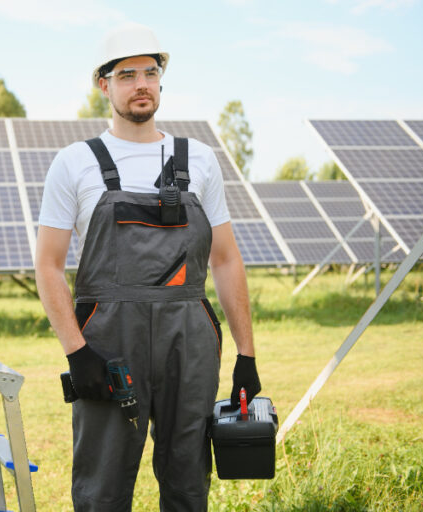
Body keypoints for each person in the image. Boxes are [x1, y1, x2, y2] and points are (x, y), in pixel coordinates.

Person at [34, 22, 262, 512]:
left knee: (188, 483)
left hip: (190, 340)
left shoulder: (200, 160)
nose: (141, 84)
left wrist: (246, 353)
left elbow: (225, 259)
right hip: (108, 343)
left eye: (150, 73)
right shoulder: (74, 163)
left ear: (161, 79)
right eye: (127, 75)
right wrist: (76, 351)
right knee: (102, 490)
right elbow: (48, 266)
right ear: (104, 84)